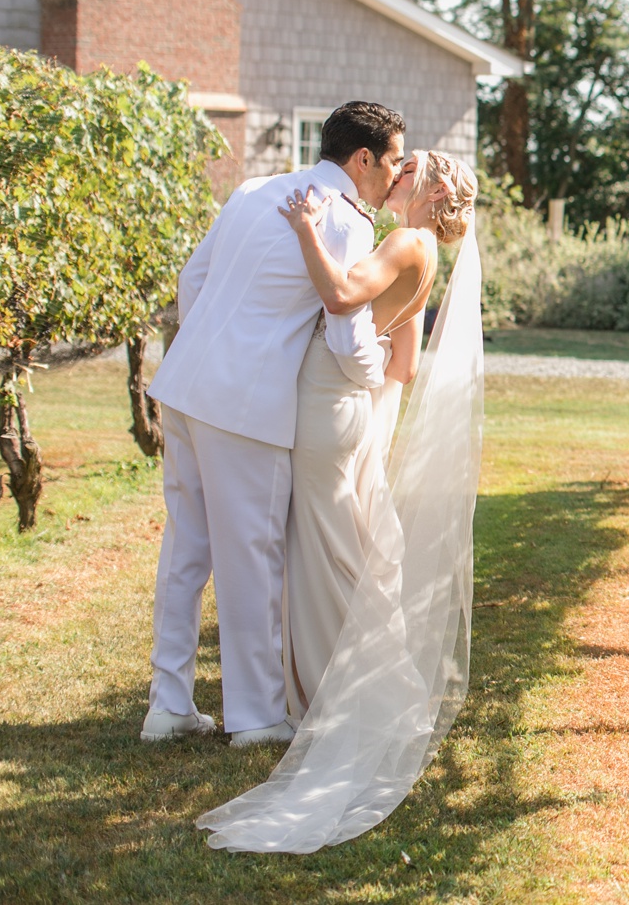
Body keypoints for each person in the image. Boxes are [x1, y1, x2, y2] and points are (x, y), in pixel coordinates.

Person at [197, 149, 483, 854]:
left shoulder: (403, 241)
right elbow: (406, 363)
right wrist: (365, 370)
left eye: (407, 166)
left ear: (431, 186)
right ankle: (342, 688)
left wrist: (305, 227)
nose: (395, 173)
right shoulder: (424, 253)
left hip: (326, 411)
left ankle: (336, 697)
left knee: (322, 551)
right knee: (342, 545)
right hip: (347, 407)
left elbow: (339, 295)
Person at [142, 102, 403, 747]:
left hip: (184, 385)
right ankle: (257, 719)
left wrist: (209, 347)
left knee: (185, 551)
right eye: (394, 160)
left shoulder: (256, 189)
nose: (396, 176)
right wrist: (383, 377)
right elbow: (345, 342)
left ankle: (168, 705)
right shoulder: (345, 222)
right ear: (362, 159)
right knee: (253, 562)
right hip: (245, 407)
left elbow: (192, 279)